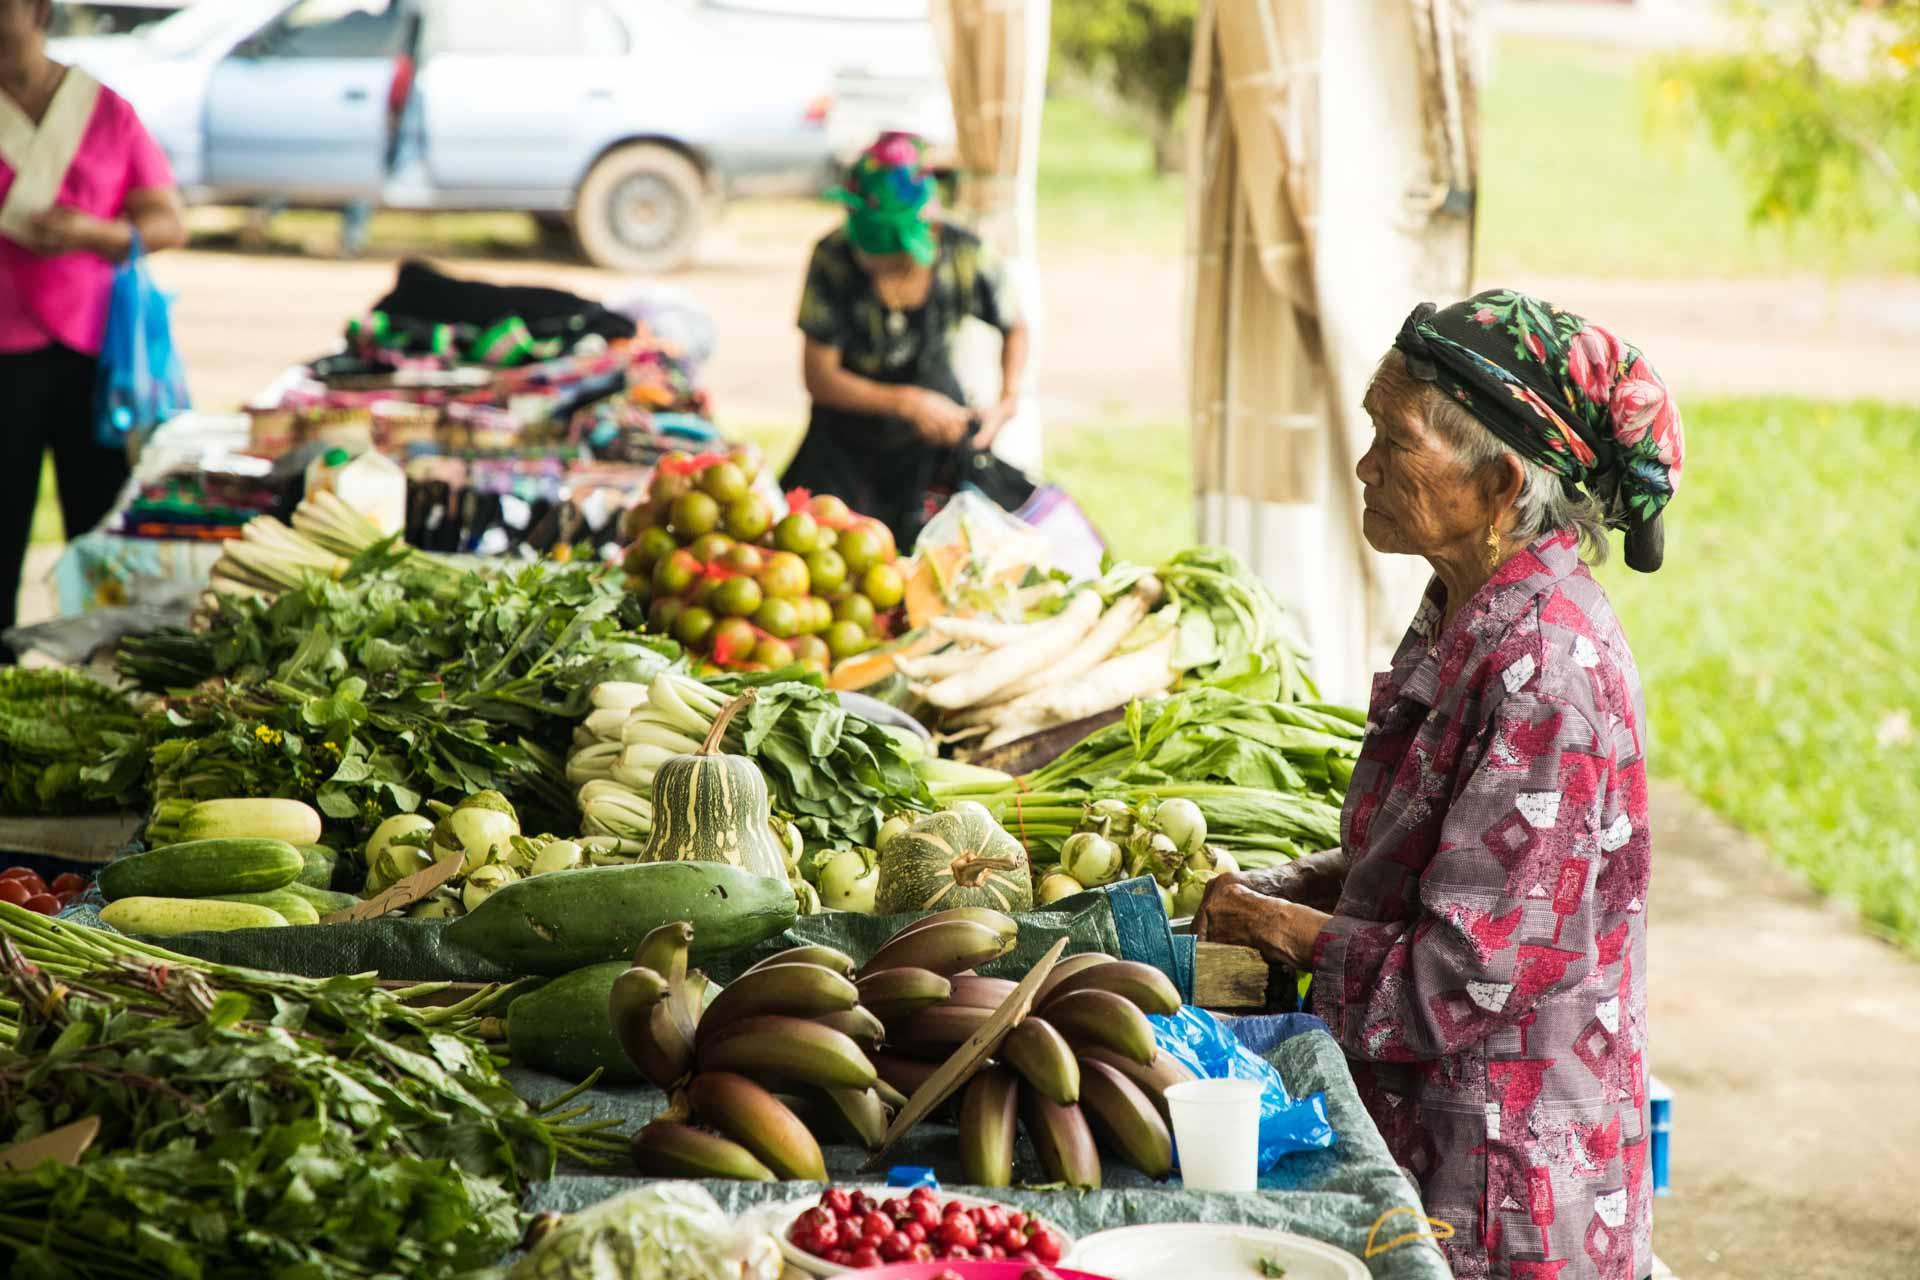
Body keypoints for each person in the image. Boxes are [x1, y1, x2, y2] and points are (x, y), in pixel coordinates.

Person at [1196, 290, 1684, 1280]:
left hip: (1503, 1188)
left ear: (1501, 480)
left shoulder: (1547, 666)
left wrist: (1271, 928)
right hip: (1435, 1142)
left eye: (1393, 436)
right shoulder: (1466, 605)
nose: (1365, 461)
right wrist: (1300, 881)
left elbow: (1462, 977)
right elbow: (1435, 849)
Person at [0, 0, 184, 656]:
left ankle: (99, 666)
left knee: (100, 524)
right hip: (4, 357)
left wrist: (89, 232)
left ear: (39, 10)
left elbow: (168, 220)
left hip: (94, 354)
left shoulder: (102, 109)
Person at [783, 131, 1030, 546]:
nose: (868, 260)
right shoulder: (832, 260)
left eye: (883, 252)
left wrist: (1007, 399)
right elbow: (819, 378)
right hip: (842, 446)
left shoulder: (965, 256)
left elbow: (1015, 326)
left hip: (931, 450)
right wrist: (906, 402)